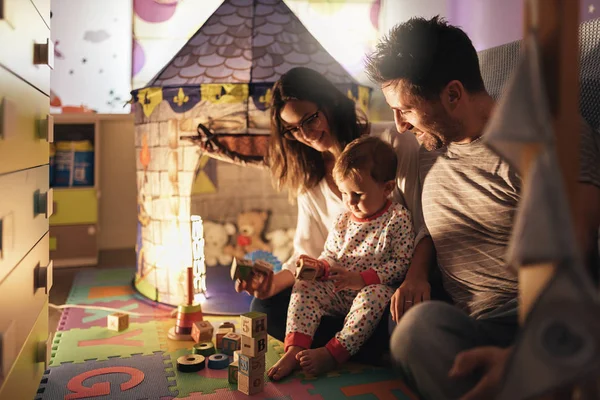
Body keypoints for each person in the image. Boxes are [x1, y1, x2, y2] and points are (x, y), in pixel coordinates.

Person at [365, 16, 600, 400]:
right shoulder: (437, 157)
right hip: (472, 326)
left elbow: (580, 248)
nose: (400, 125)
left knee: (416, 330)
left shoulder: (543, 136)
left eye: (405, 110)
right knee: (412, 328)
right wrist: (416, 273)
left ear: (453, 95)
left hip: (534, 318)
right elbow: (430, 233)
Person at [234, 67, 435, 363]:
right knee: (264, 307)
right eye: (292, 129)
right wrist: (274, 283)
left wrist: (416, 277)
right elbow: (309, 252)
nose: (305, 134)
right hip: (337, 290)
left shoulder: (391, 143)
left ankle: (345, 347)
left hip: (387, 287)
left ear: (330, 103)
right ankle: (348, 346)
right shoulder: (311, 177)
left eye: (310, 119)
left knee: (400, 315)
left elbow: (424, 224)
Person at [267, 136, 415, 380]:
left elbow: (400, 265)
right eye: (345, 193)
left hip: (371, 293)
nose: (351, 202)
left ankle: (333, 353)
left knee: (374, 295)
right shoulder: (343, 218)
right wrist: (321, 267)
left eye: (358, 194)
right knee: (304, 286)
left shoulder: (397, 219)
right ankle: (295, 349)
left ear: (387, 188)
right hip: (339, 289)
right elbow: (331, 254)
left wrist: (362, 279)